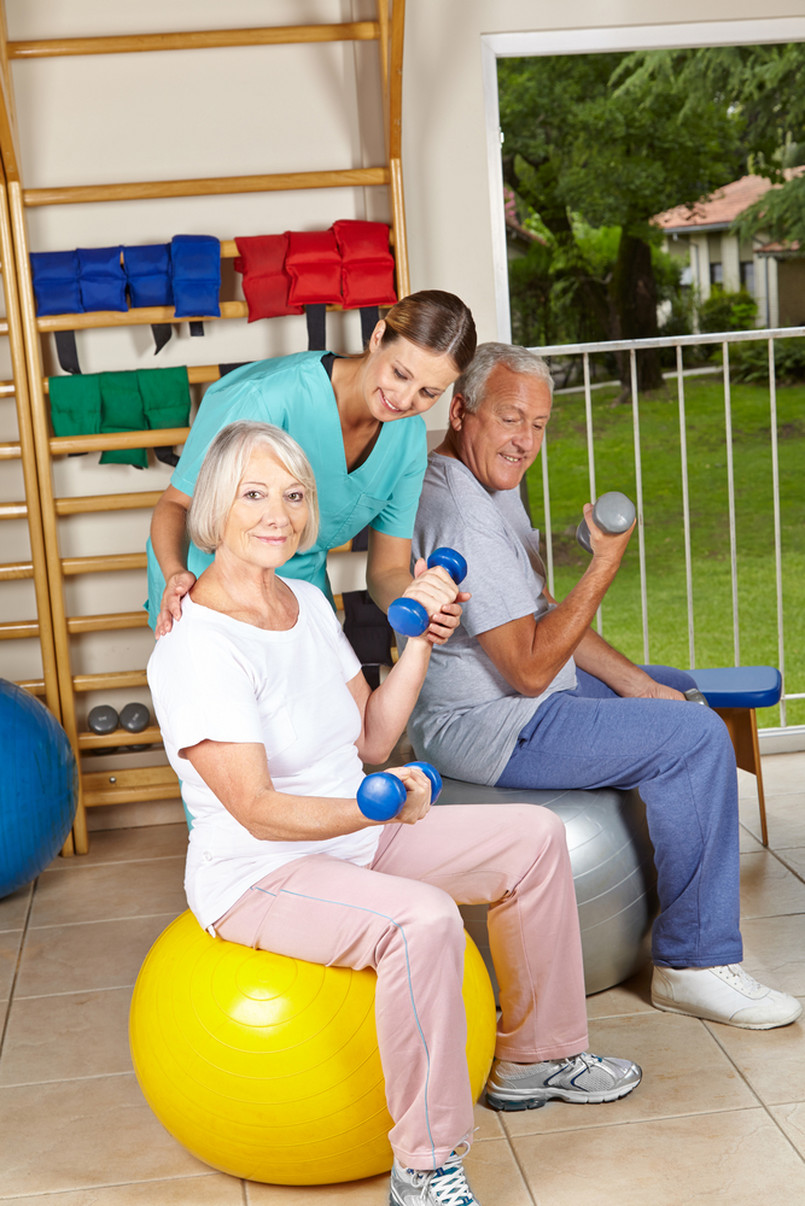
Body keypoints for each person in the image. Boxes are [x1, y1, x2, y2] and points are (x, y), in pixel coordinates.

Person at [146, 419, 641, 1206]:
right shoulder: (197, 646)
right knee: (420, 921)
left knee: (534, 839)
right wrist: (374, 808)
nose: (277, 513)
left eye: (294, 495)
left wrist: (418, 639)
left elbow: (374, 736)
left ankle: (535, 1060)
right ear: (214, 506)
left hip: (354, 831)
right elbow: (257, 811)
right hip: (258, 872)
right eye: (254, 494)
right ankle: (425, 1161)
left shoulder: (304, 602)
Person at [409, 341, 802, 1033]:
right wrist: (602, 568)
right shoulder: (461, 509)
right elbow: (527, 668)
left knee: (673, 690)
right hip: (492, 722)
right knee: (695, 739)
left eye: (537, 424)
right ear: (462, 410)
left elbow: (539, 616)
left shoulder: (490, 489)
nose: (525, 441)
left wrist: (640, 686)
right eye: (509, 419)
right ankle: (695, 965)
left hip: (529, 698)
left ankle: (677, 914)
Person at [147, 289, 477, 643]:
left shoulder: (408, 440)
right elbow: (177, 504)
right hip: (209, 589)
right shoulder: (266, 398)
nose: (405, 399)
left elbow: (387, 571)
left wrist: (420, 602)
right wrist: (175, 575)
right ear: (378, 336)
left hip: (300, 596)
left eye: (429, 393)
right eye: (400, 373)